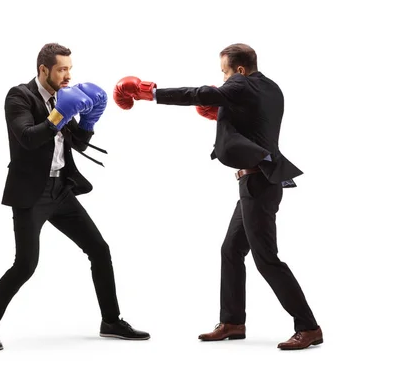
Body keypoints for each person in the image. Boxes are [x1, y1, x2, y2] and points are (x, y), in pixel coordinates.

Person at [112, 43, 322, 350]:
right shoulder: (271, 88)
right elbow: (254, 121)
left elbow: (197, 94)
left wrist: (149, 93)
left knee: (267, 259)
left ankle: (309, 327)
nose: (222, 79)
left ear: (238, 69)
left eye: (224, 72)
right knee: (231, 250)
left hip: (257, 185)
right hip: (260, 183)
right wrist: (226, 116)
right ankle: (233, 322)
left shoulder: (239, 84)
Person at [0, 42, 149, 351]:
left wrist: (90, 120)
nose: (68, 76)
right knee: (25, 265)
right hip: (32, 194)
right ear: (44, 70)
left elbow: (78, 144)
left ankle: (111, 321)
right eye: (61, 69)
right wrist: (58, 115)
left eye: (70, 69)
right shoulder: (19, 96)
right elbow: (28, 138)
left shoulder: (62, 96)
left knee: (99, 249)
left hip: (61, 190)